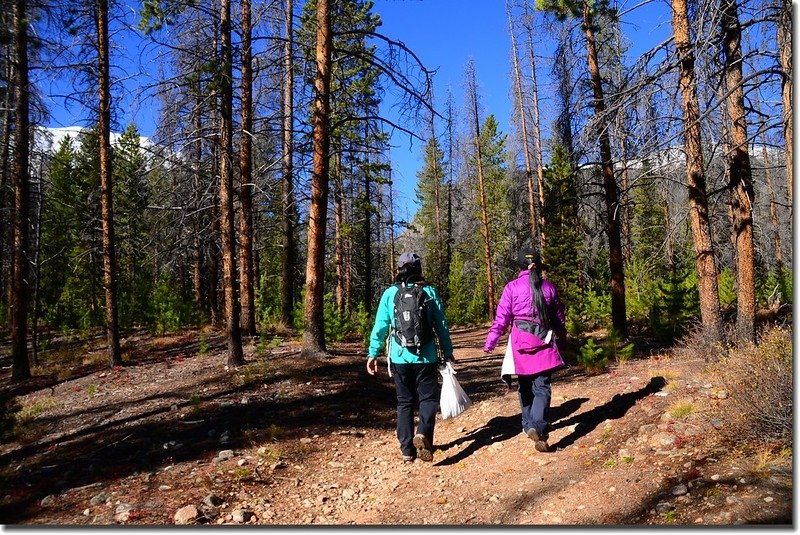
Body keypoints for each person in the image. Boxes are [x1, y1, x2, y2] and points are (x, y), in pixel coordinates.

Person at [367, 252, 454, 463]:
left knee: (404, 402)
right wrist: (448, 353)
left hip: (399, 357)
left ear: (399, 269)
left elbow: (380, 326)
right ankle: (423, 433)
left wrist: (373, 353)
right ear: (419, 269)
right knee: (428, 399)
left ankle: (407, 449)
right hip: (426, 357)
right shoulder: (430, 292)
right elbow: (441, 327)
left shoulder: (390, 294)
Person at [483, 248, 566, 452]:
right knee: (542, 387)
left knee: (525, 385)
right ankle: (538, 426)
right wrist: (563, 337)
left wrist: (491, 342)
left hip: (521, 342)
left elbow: (501, 319)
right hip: (543, 341)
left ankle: (530, 425)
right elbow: (558, 318)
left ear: (519, 266)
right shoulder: (548, 288)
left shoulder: (511, 288)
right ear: (538, 265)